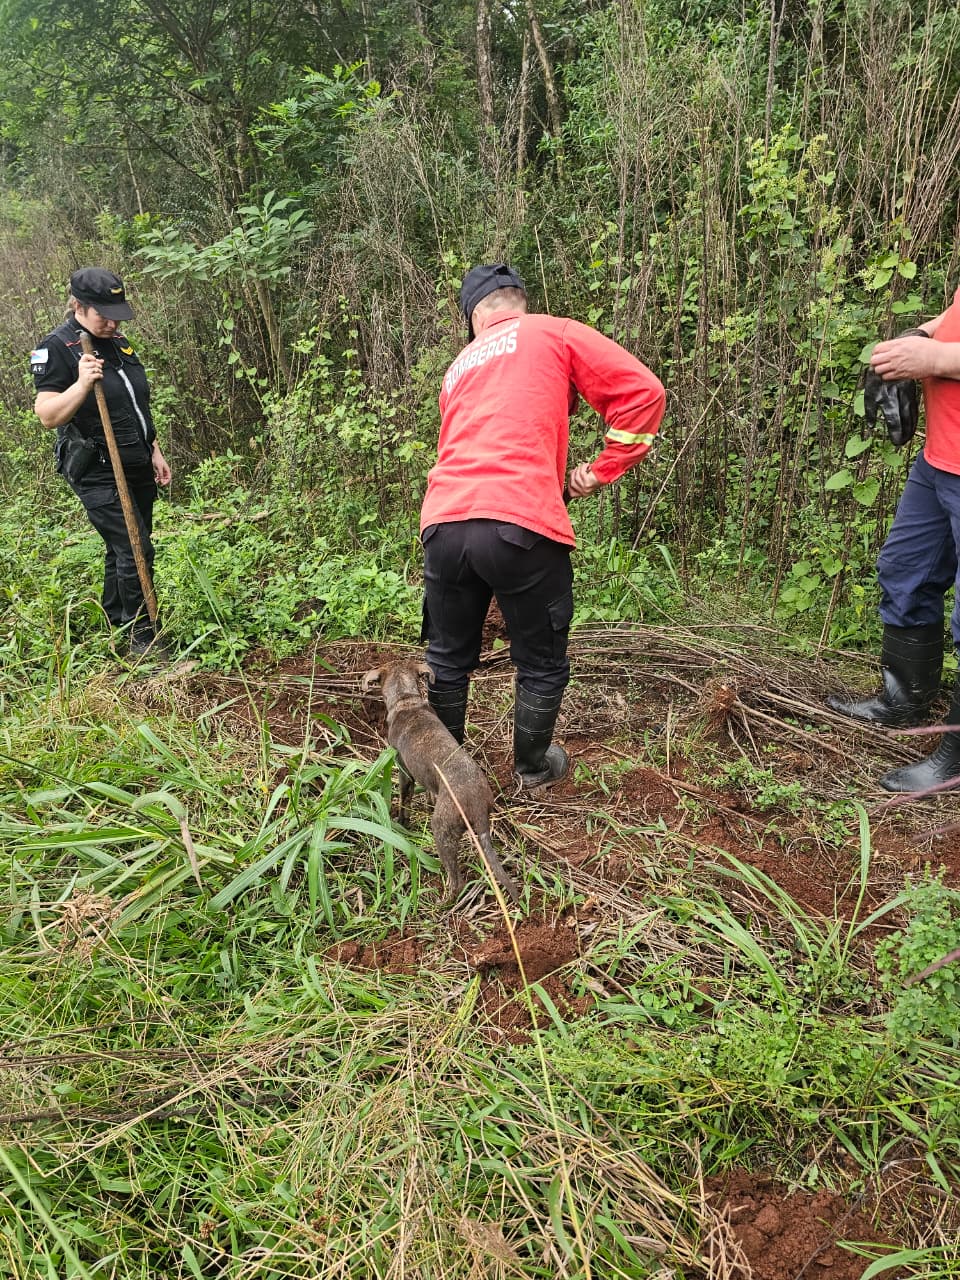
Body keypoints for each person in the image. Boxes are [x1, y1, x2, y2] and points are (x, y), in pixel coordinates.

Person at [420, 263, 666, 788]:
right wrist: (600, 471)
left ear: (474, 318)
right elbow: (644, 393)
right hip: (521, 521)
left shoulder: (458, 367)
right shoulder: (551, 331)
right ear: (519, 304)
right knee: (541, 661)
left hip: (443, 521)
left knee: (446, 659)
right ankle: (532, 770)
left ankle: (445, 777)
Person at [827, 293, 960, 792]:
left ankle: (955, 756)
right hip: (941, 460)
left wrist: (934, 360)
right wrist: (917, 338)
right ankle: (905, 701)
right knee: (906, 571)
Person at [31, 267, 171, 656]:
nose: (111, 322)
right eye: (102, 315)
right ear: (78, 305)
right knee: (135, 548)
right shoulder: (57, 348)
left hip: (136, 461)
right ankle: (141, 640)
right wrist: (80, 383)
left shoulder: (118, 342)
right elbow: (47, 415)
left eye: (117, 313)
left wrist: (154, 448)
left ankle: (118, 620)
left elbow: (134, 402)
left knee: (123, 548)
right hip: (97, 469)